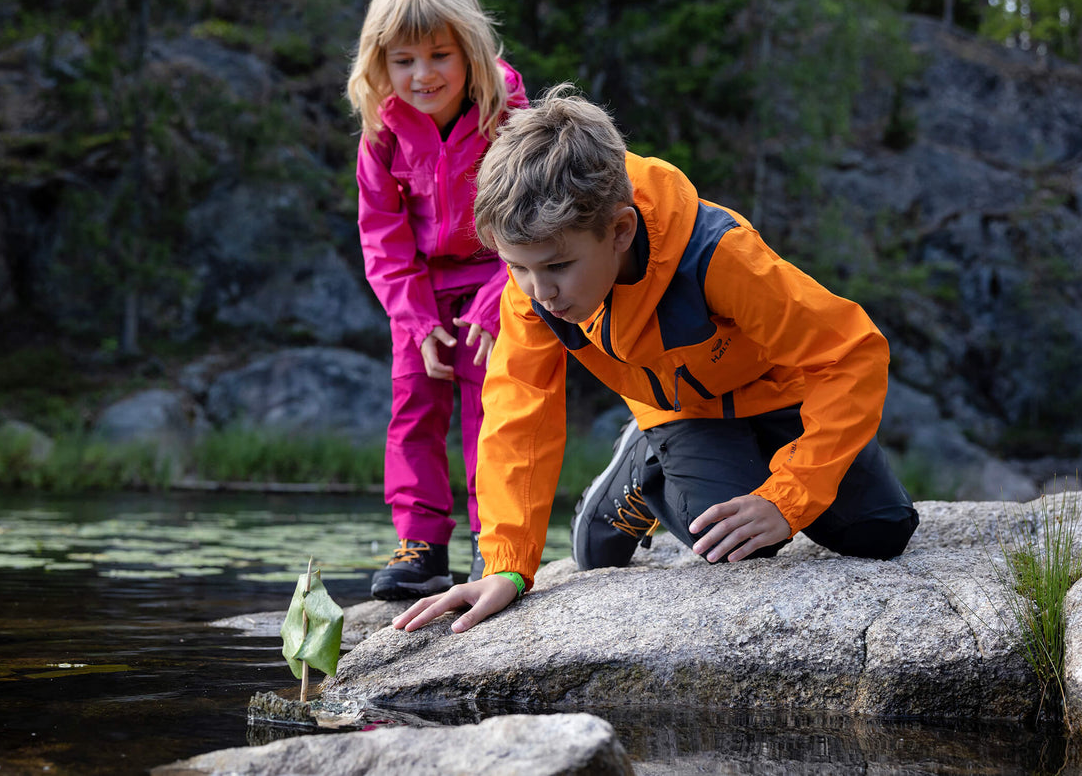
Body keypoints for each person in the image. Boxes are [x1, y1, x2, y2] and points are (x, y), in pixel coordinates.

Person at [393, 86, 919, 633]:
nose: (540, 291)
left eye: (558, 266)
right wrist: (507, 566)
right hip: (682, 410)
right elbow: (518, 414)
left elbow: (851, 355)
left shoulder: (719, 255)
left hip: (780, 392)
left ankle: (690, 464)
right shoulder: (534, 286)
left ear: (619, 230)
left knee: (882, 531)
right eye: (519, 268)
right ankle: (646, 461)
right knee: (732, 546)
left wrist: (786, 497)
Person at [347, 0, 529, 600]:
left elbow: (527, 216)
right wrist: (418, 320)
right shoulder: (383, 131)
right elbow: (383, 236)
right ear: (381, 64)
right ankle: (421, 547)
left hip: (500, 280)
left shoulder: (506, 111)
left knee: (494, 412)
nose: (423, 75)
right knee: (414, 411)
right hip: (419, 292)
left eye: (439, 55)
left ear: (470, 49)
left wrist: (492, 305)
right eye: (404, 60)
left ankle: (493, 542)